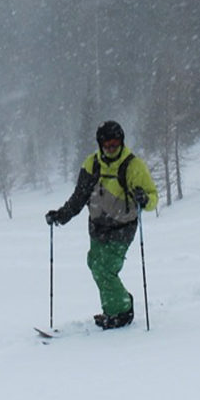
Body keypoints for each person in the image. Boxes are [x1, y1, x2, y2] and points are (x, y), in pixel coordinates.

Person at [45, 120, 158, 330]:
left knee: (104, 268)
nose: (111, 149)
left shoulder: (133, 166)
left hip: (122, 228)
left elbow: (153, 197)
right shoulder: (92, 164)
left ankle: (122, 311)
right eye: (107, 145)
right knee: (94, 263)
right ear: (100, 144)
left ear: (122, 142)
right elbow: (79, 197)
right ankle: (114, 308)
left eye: (115, 143)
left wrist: (144, 199)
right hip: (97, 227)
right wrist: (61, 216)